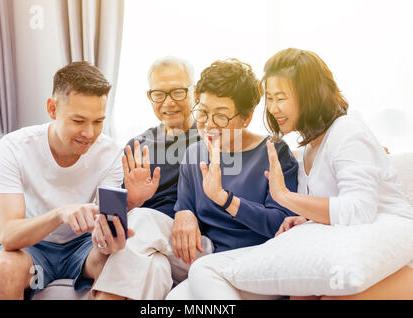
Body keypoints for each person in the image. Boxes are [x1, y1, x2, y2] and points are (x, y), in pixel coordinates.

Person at [169, 48, 413, 300]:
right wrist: (303, 219)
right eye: (270, 99)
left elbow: (359, 210)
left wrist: (283, 198)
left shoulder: (346, 132)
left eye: (280, 98)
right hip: (339, 248)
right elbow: (326, 208)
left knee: (205, 270)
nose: (273, 109)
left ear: (309, 96)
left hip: (382, 247)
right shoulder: (308, 147)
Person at [0, 61, 135, 300]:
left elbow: (104, 227)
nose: (89, 133)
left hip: (83, 252)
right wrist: (60, 214)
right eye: (78, 121)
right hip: (33, 253)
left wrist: (110, 237)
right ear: (52, 109)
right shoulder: (13, 147)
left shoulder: (112, 154)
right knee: (7, 266)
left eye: (98, 121)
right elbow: (9, 235)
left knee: (121, 265)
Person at [161, 58, 298, 300]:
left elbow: (280, 224)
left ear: (246, 117)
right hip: (214, 264)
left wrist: (225, 199)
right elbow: (185, 207)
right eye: (203, 112)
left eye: (221, 116)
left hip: (260, 262)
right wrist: (184, 212)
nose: (209, 124)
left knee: (201, 276)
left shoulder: (274, 152)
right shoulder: (194, 154)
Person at [91, 57, 204, 300]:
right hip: (147, 248)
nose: (168, 103)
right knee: (155, 267)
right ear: (149, 96)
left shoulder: (212, 139)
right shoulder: (137, 146)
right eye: (159, 94)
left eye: (177, 92)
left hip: (193, 246)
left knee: (141, 219)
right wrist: (132, 200)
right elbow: (115, 217)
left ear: (194, 92)